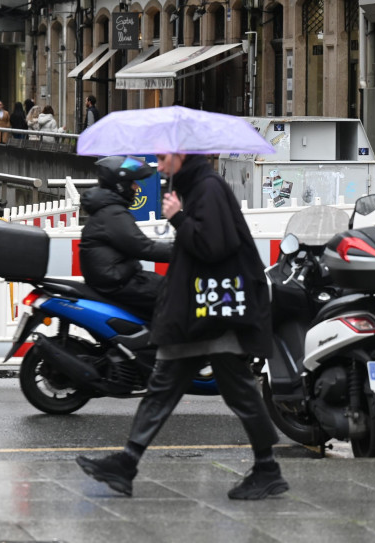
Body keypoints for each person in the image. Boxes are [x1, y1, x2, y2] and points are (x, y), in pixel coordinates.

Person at [76, 153, 287, 501]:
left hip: (215, 312)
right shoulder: (195, 187)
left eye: (162, 157)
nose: (158, 166)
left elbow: (213, 246)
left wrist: (178, 218)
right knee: (164, 387)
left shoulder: (208, 188)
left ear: (182, 154)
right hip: (198, 312)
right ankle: (126, 463)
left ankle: (267, 468)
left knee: (239, 394)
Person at [79, 156, 172, 319]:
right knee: (177, 296)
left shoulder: (108, 210)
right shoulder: (112, 213)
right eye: (133, 183)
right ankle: (166, 342)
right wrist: (183, 249)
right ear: (121, 186)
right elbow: (143, 247)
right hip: (118, 283)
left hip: (119, 278)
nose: (136, 187)